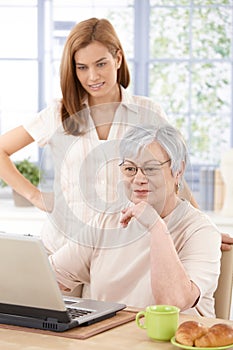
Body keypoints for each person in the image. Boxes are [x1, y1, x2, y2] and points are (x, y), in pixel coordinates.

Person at [0, 17, 231, 256]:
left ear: (117, 59)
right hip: (60, 245)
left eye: (101, 64)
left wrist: (204, 229)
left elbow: (173, 178)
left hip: (120, 252)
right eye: (82, 67)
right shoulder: (59, 114)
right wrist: (35, 196)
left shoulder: (148, 114)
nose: (92, 77)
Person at [49, 123, 221, 318]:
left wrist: (156, 226)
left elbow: (173, 302)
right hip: (108, 341)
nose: (139, 178)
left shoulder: (201, 231)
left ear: (178, 171)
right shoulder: (107, 220)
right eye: (130, 169)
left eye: (150, 168)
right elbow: (50, 277)